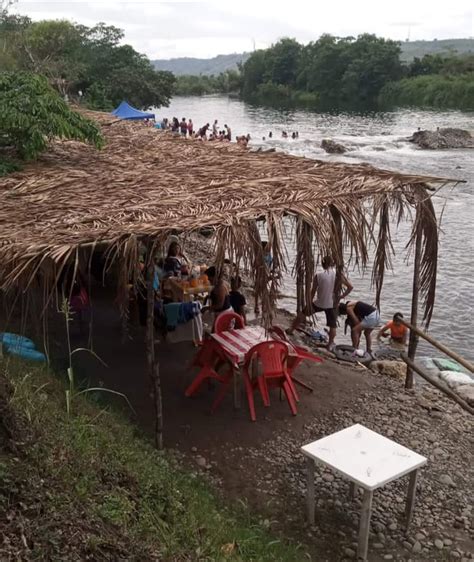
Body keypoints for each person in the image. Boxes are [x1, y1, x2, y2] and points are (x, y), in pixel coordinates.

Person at [287, 256, 352, 350]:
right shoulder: (338, 275)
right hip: (332, 304)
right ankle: (330, 344)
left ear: (323, 264)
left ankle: (291, 329)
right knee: (332, 325)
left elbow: (313, 291)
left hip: (319, 303)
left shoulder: (318, 275)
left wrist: (309, 302)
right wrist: (341, 296)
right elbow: (350, 287)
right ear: (332, 263)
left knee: (303, 313)